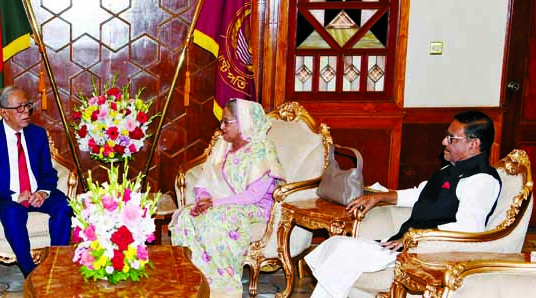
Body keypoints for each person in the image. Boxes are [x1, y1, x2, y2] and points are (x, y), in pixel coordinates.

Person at [305, 111, 502, 298]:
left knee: (342, 253)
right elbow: (420, 193)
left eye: (451, 138)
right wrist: (380, 197)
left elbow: (469, 228)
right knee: (335, 245)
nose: (444, 142)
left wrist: (414, 238)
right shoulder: (451, 169)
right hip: (407, 243)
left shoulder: (482, 180)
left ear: (473, 144)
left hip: (428, 253)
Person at [169, 99, 287, 295]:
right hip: (221, 203)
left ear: (244, 122)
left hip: (254, 207)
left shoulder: (262, 149)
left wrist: (213, 203)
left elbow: (253, 195)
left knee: (217, 219)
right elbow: (206, 179)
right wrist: (202, 201)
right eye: (222, 121)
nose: (221, 127)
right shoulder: (224, 145)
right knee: (185, 216)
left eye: (227, 122)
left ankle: (221, 288)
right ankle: (194, 281)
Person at [0, 86, 73, 277]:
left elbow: (47, 172)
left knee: (63, 206)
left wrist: (42, 192)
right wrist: (15, 196)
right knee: (13, 211)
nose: (25, 111)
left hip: (35, 194)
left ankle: (57, 267)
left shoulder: (37, 134)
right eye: (19, 108)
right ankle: (30, 272)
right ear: (4, 113)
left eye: (27, 106)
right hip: (2, 198)